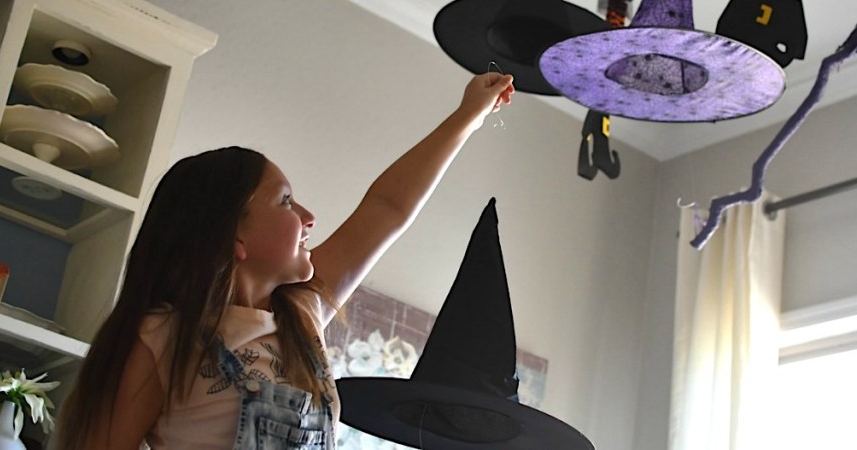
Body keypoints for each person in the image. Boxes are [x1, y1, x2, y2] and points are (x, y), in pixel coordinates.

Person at [54, 71, 514, 449]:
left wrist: (467, 117)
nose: (308, 217)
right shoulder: (162, 338)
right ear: (233, 237)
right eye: (286, 202)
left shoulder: (301, 314)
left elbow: (388, 208)